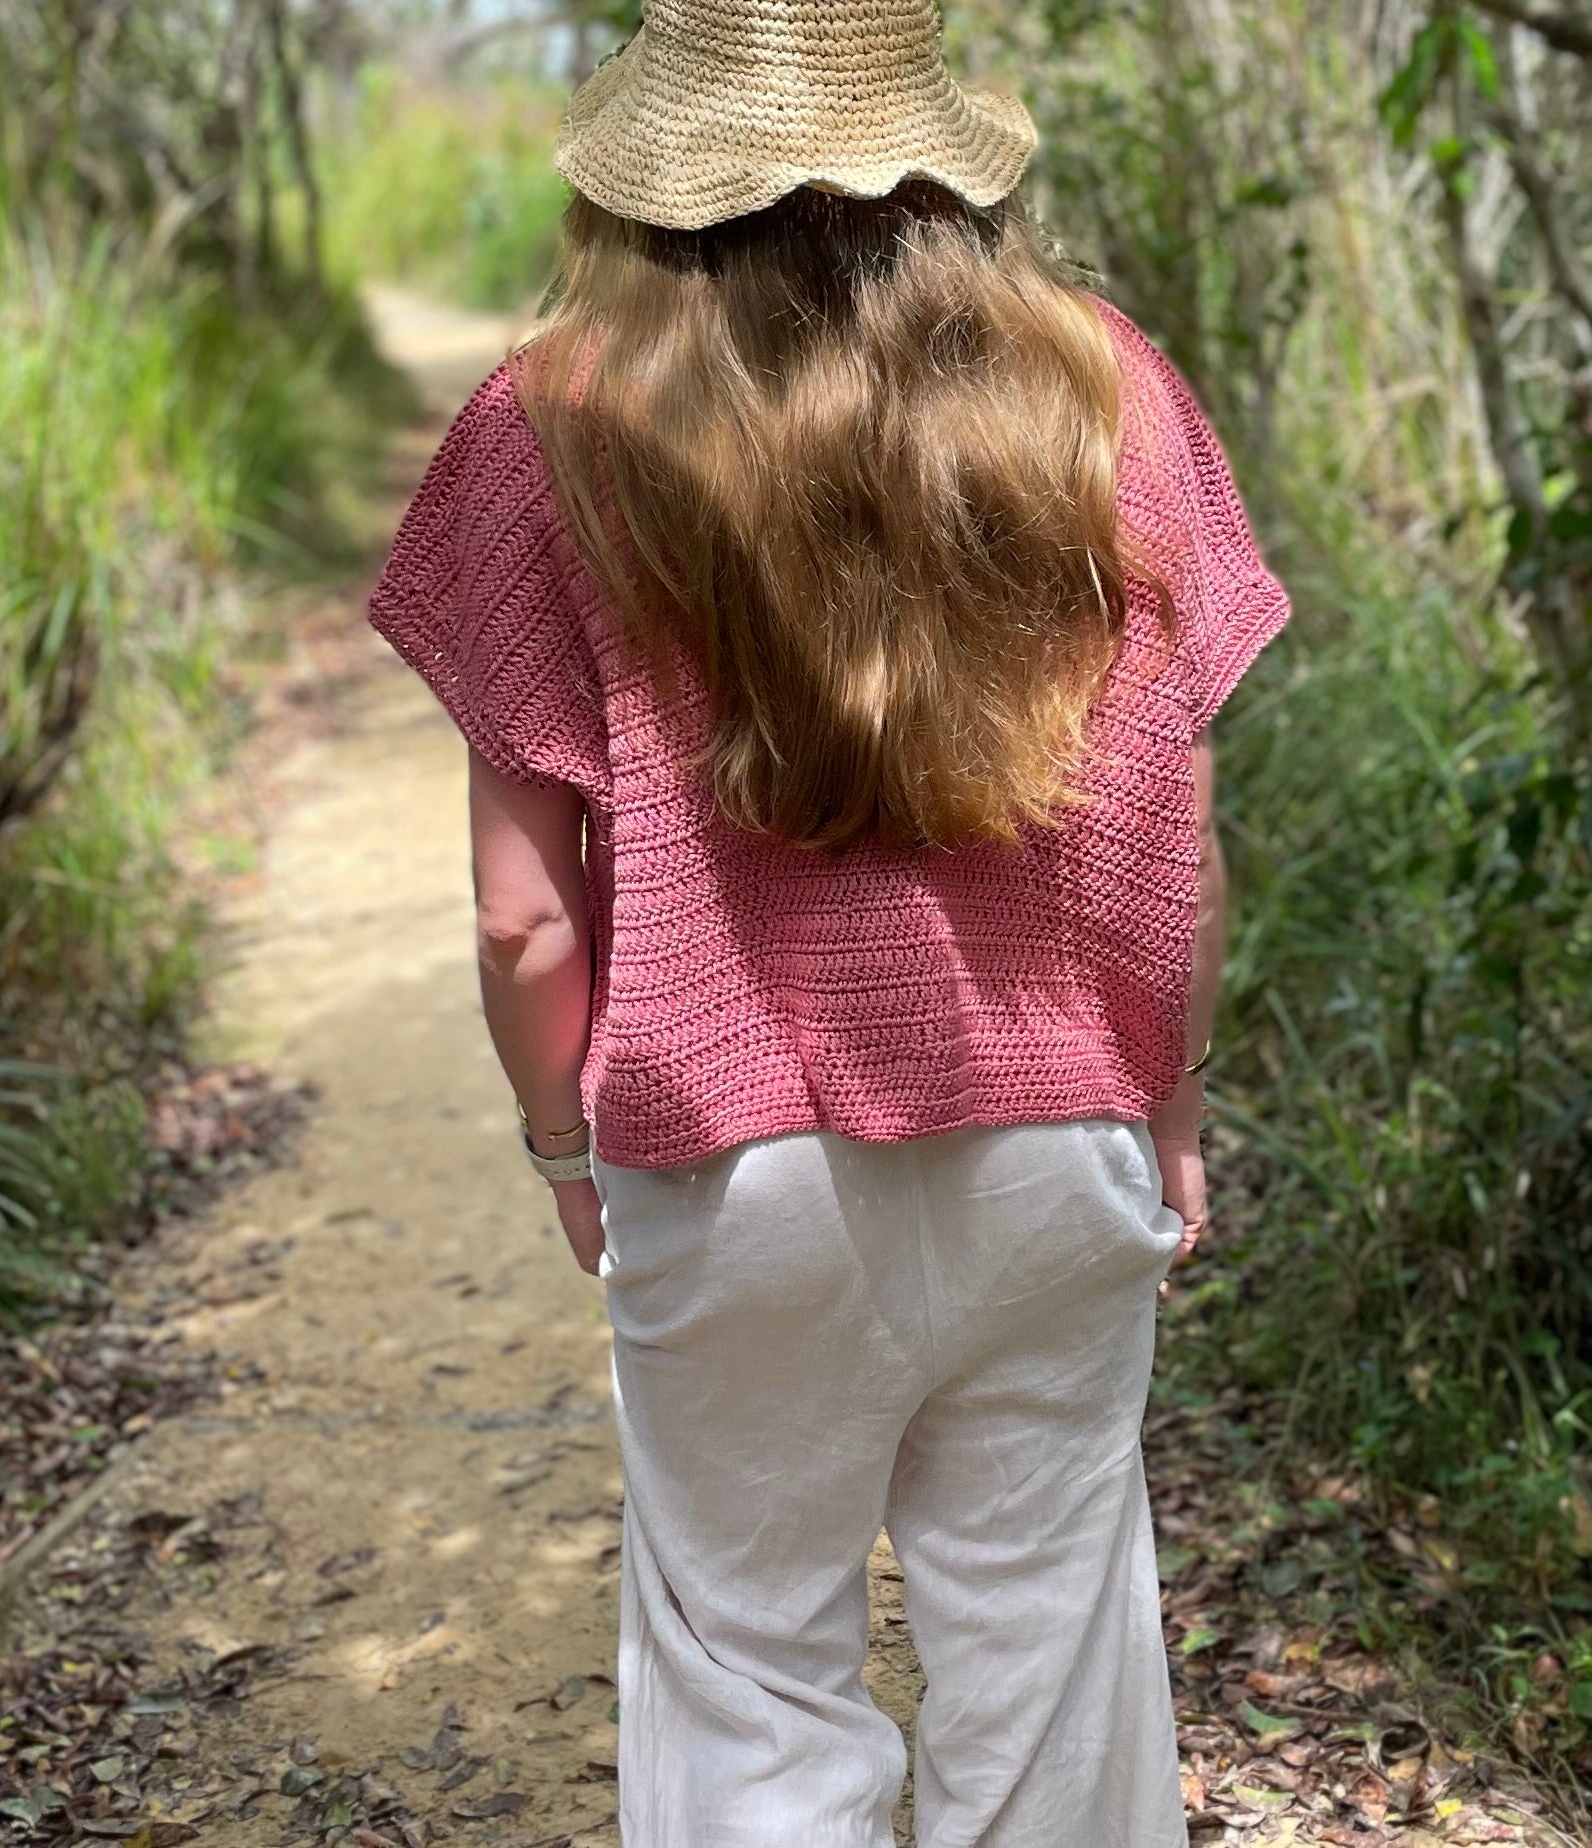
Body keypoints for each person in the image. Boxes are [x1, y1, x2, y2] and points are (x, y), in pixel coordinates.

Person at [367, 2, 1291, 1840]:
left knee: (747, 1673)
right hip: (1057, 1137)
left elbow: (522, 920)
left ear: (657, 168)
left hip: (733, 1170)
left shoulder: (552, 427)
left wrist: (565, 1143)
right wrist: (1170, 1102)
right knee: (1050, 1666)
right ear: (940, 155)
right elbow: (1176, 835)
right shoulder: (1103, 389)